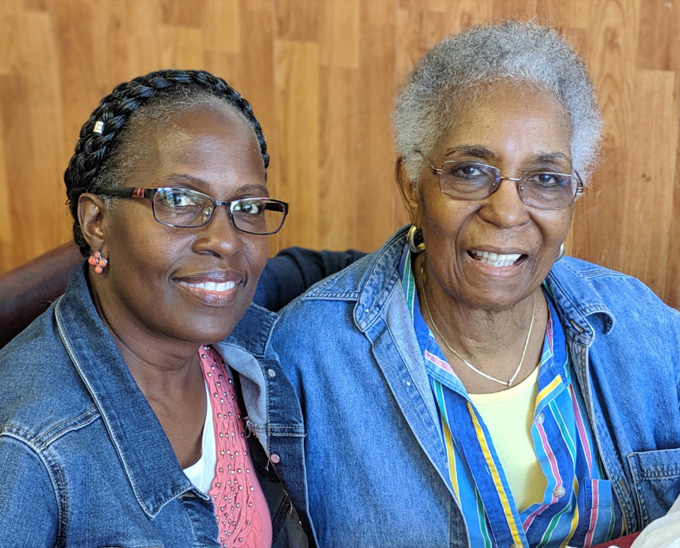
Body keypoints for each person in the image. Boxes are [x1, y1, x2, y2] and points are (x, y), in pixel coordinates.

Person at [271, 21, 680, 548]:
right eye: (469, 171)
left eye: (545, 179)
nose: (507, 212)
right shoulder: (304, 360)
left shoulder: (644, 328)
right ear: (412, 186)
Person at [0, 69, 359, 547]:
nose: (226, 242)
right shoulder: (18, 449)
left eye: (247, 207)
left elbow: (310, 271)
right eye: (180, 200)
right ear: (97, 221)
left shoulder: (219, 322)